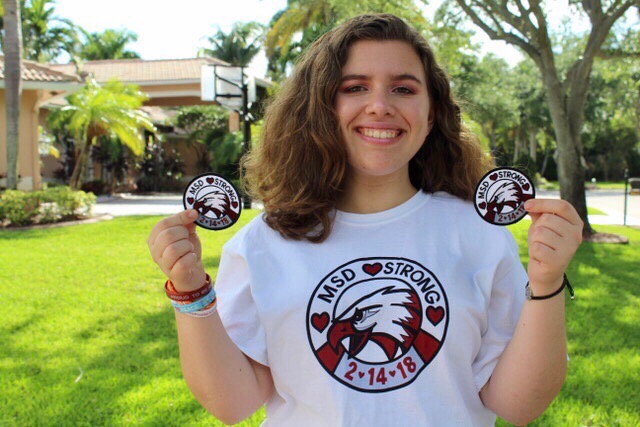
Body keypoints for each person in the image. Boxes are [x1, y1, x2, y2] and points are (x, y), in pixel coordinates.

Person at [147, 14, 583, 426]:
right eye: (354, 87)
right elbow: (233, 403)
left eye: (404, 89)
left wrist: (546, 285)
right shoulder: (263, 242)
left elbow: (517, 405)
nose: (379, 106)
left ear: (431, 115)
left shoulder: (479, 234)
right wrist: (190, 293)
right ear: (320, 107)